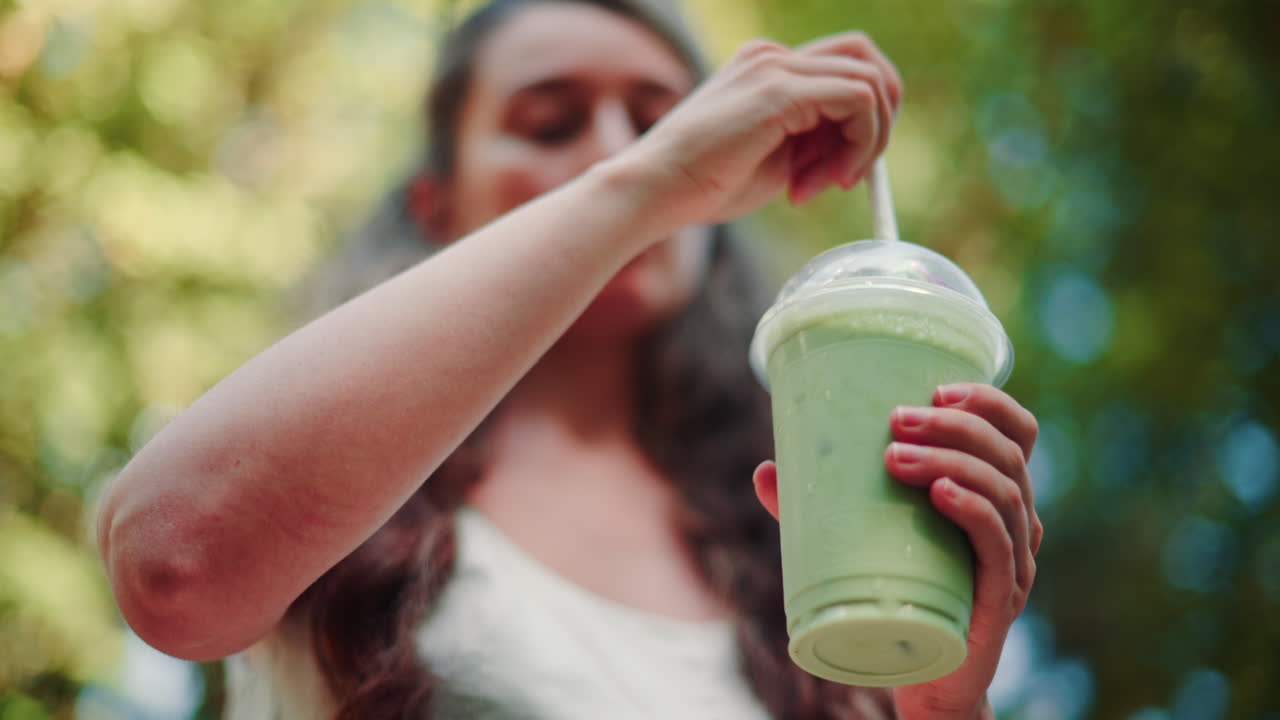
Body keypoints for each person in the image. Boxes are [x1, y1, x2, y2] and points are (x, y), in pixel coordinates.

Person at [95, 0, 1044, 718]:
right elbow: (171, 565)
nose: (610, 149)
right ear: (437, 203)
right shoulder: (343, 468)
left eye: (658, 119)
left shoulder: (793, 528)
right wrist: (650, 178)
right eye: (551, 124)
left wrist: (937, 711)